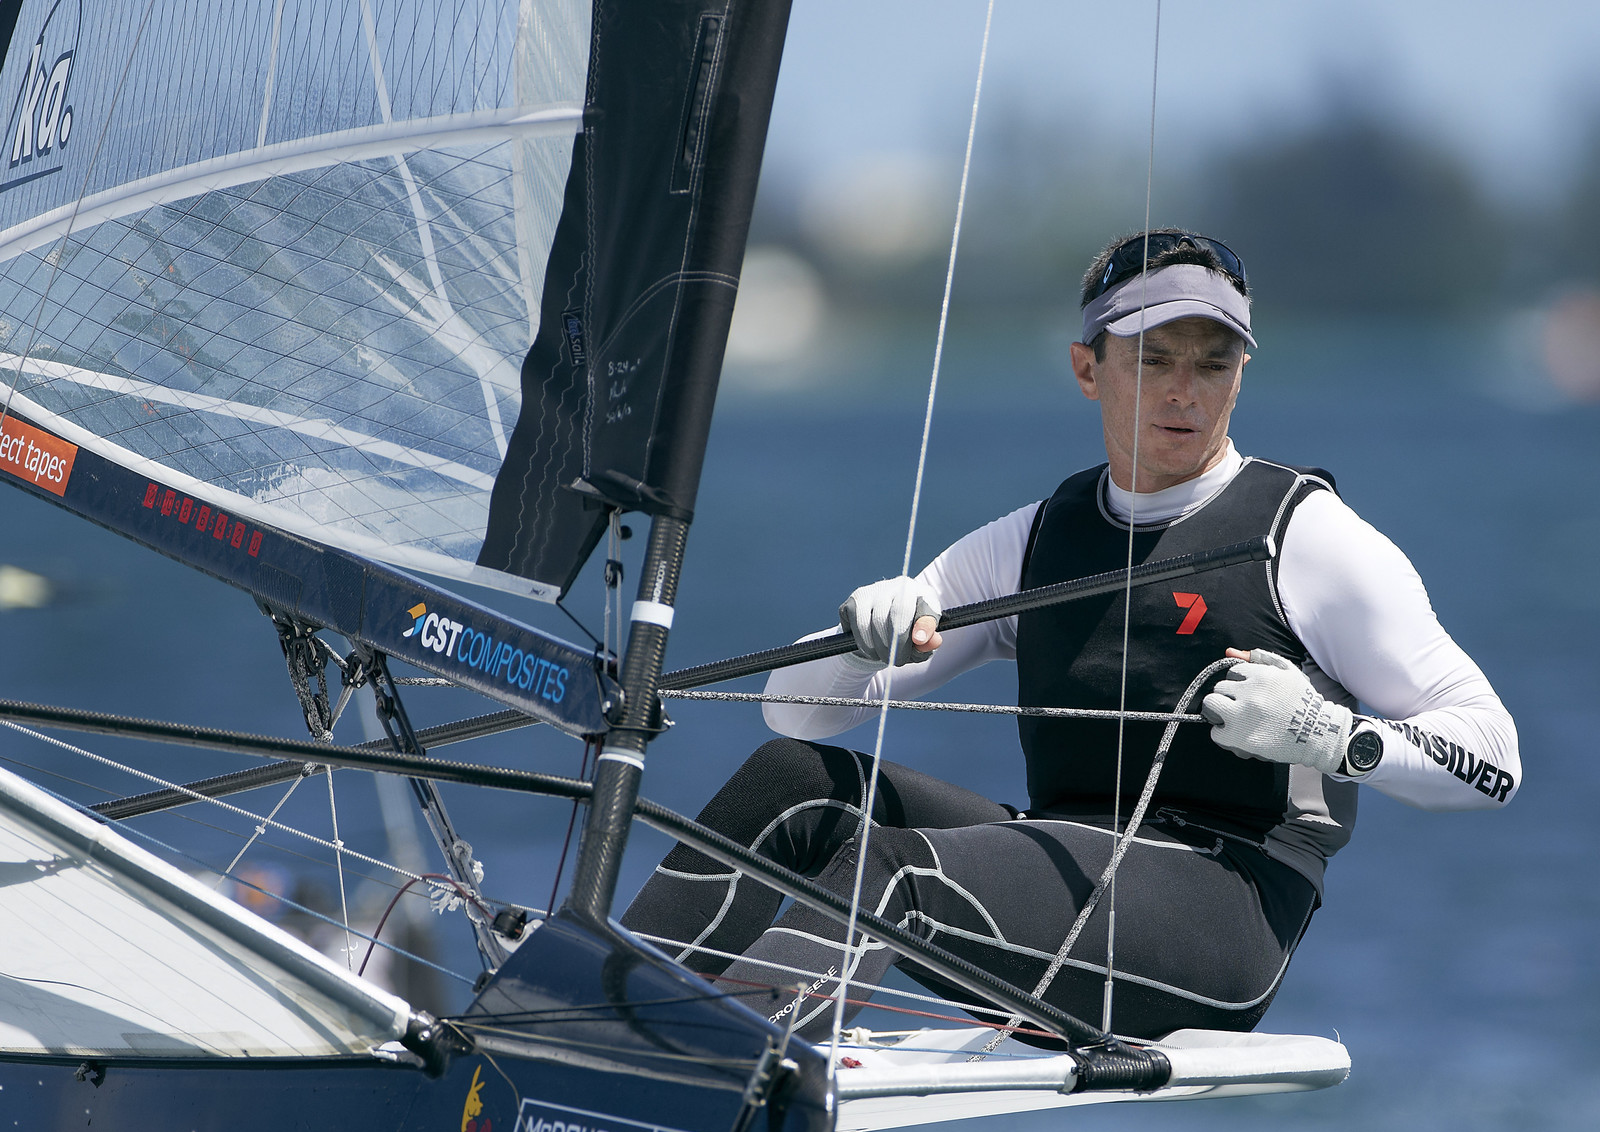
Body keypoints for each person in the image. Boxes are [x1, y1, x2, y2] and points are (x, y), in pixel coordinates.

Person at [622, 230, 1520, 1042]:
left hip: (1223, 918)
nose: (1184, 391)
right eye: (1154, 358)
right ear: (1088, 369)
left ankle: (717, 1065)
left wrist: (1337, 738)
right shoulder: (1038, 539)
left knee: (887, 878)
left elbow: (1496, 758)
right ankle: (601, 1008)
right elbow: (797, 719)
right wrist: (859, 644)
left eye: (1213, 364)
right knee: (798, 786)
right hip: (1065, 885)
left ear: (1241, 374)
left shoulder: (1310, 540)